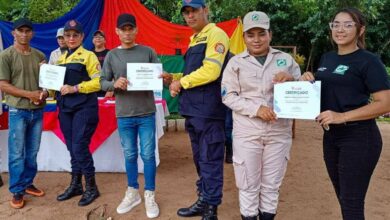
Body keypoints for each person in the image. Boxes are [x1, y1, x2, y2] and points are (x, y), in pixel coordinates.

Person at [300, 7, 390, 220]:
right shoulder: (327, 58)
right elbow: (324, 96)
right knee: (345, 199)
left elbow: (385, 103)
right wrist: (306, 82)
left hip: (360, 137)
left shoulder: (368, 61)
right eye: (336, 24)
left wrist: (342, 116)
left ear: (360, 30)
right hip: (331, 137)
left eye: (348, 24)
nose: (340, 29)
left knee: (351, 204)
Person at [222, 11, 301, 220]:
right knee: (248, 184)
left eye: (261, 33)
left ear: (270, 34)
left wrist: (294, 79)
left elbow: (302, 91)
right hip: (247, 132)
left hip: (278, 132)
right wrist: (256, 109)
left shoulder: (285, 60)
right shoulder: (236, 63)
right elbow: (228, 97)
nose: (256, 39)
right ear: (244, 37)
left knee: (271, 186)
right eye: (251, 34)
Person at [161, 0, 230, 219]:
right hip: (193, 110)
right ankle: (204, 198)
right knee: (200, 159)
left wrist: (181, 83)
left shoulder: (215, 34)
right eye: (186, 12)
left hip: (209, 111)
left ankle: (211, 209)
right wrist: (174, 78)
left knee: (210, 159)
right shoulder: (194, 39)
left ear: (205, 10)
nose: (190, 16)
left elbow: (211, 71)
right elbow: (195, 73)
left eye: (194, 11)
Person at [100, 13, 160, 219]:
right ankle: (133, 191)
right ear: (116, 31)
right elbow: (102, 82)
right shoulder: (111, 56)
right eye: (123, 29)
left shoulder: (148, 52)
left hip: (146, 113)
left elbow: (158, 77)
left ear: (136, 30)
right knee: (130, 155)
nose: (127, 33)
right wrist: (113, 84)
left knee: (149, 154)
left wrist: (164, 77)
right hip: (124, 114)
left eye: (130, 29)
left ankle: (150, 193)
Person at [0, 18, 48, 209]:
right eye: (21, 30)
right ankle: (17, 190)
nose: (24, 34)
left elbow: (45, 84)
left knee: (32, 152)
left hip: (37, 111)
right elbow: (2, 84)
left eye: (28, 30)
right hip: (17, 110)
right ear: (14, 33)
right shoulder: (6, 55)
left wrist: (43, 93)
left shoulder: (39, 55)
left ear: (32, 33)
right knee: (17, 153)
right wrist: (29, 94)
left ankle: (27, 183)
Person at [55, 19, 101, 207]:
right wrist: (44, 92)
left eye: (75, 35)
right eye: (68, 35)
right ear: (64, 38)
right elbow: (55, 87)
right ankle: (76, 185)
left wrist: (75, 88)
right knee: (72, 148)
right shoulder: (60, 59)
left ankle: (91, 187)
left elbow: (99, 82)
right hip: (65, 109)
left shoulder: (89, 56)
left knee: (80, 146)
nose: (71, 38)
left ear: (82, 37)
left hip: (84, 108)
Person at [92, 30, 113, 98]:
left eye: (100, 37)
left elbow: (116, 72)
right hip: (92, 91)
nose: (98, 38)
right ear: (93, 40)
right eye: (96, 37)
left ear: (105, 40)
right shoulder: (89, 54)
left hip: (107, 90)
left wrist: (111, 89)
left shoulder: (110, 54)